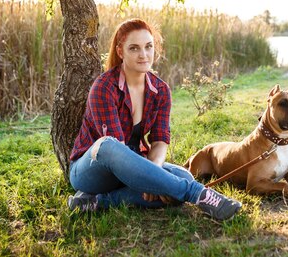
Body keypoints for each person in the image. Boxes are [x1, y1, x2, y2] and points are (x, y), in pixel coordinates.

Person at [67, 18, 242, 220]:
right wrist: (149, 179)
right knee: (108, 145)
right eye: (134, 48)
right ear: (120, 51)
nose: (143, 55)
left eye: (148, 47)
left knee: (182, 176)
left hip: (136, 164)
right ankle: (197, 193)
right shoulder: (104, 87)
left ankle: (96, 202)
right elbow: (117, 152)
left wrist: (153, 173)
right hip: (93, 169)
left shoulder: (160, 90)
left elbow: (159, 140)